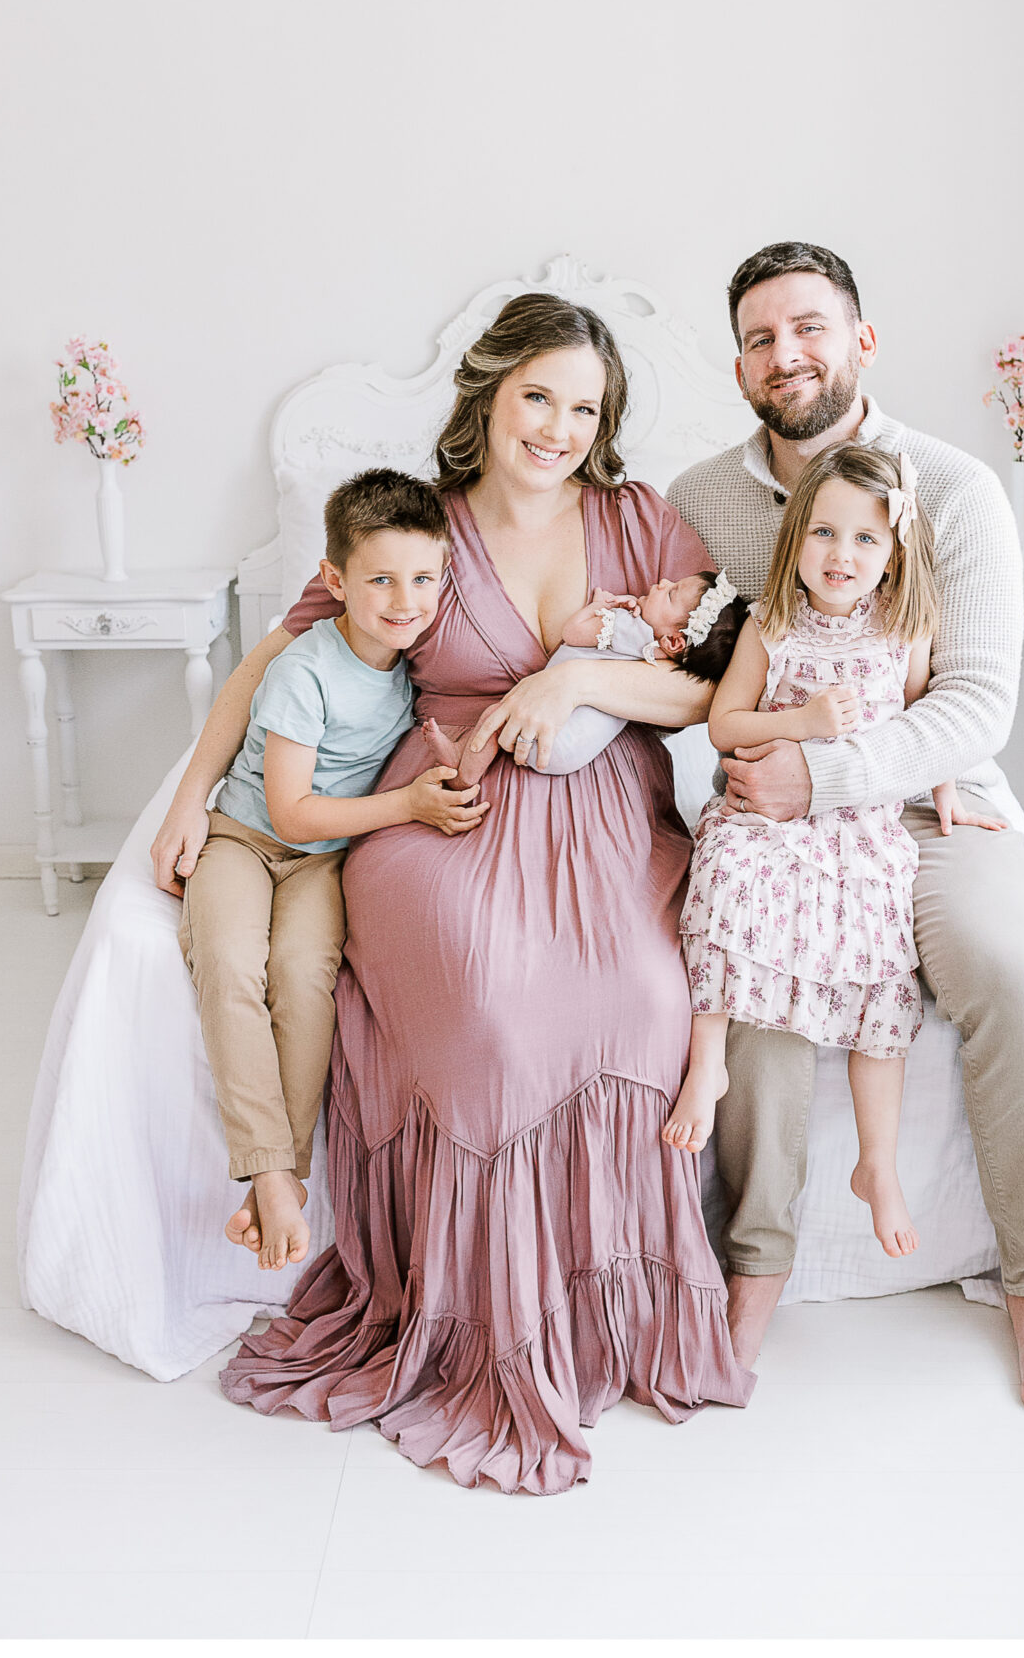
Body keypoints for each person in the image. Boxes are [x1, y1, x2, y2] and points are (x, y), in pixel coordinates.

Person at [152, 292, 754, 1494]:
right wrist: (191, 792)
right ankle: (481, 1324)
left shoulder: (640, 518)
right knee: (488, 1008)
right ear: (487, 392)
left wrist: (574, 682)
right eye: (538, 396)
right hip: (443, 807)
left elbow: (710, 691)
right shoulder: (419, 527)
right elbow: (275, 658)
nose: (558, 428)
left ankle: (605, 1314)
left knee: (645, 995)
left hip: (605, 807)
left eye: (584, 407)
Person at [666, 240, 1024, 1417]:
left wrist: (825, 773)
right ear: (739, 366)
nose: (785, 353)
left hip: (926, 789)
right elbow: (673, 648)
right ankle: (751, 1268)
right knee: (755, 984)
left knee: (1007, 964)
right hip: (771, 796)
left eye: (807, 326)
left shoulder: (954, 489)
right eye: (759, 338)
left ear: (860, 339)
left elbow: (975, 700)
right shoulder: (699, 498)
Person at [665, 445, 1003, 1261]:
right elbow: (724, 725)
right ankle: (707, 1063)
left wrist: (947, 786)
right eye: (822, 532)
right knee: (722, 872)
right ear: (795, 539)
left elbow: (922, 718)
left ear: (893, 554)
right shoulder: (770, 625)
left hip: (859, 825)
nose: (840, 555)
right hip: (767, 816)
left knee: (878, 965)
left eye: (864, 538)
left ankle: (875, 1164)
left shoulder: (904, 631)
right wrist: (802, 723)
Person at [179, 470, 488, 1273]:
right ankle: (272, 1171)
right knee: (229, 962)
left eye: (422, 579)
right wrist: (408, 806)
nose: (404, 600)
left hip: (323, 863)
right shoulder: (304, 668)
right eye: (380, 579)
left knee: (304, 973)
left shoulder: (416, 669)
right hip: (246, 839)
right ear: (335, 580)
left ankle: (278, 1178)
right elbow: (289, 814)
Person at [423, 568, 747, 788]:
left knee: (496, 717)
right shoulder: (659, 656)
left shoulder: (628, 628)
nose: (662, 582)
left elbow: (573, 633)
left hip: (551, 734)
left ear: (675, 641)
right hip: (575, 748)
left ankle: (463, 772)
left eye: (672, 593)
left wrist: (600, 607)